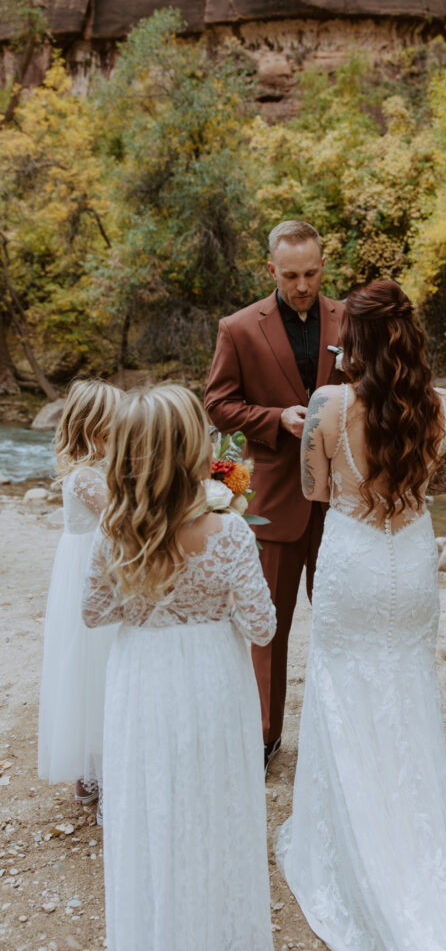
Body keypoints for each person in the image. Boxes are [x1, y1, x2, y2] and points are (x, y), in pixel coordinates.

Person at [277, 280, 446, 951]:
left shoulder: (328, 403)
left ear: (355, 340)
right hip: (410, 564)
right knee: (407, 693)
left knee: (343, 691)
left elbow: (314, 488)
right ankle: (413, 829)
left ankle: (345, 841)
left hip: (353, 562)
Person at [81, 386, 276, 951]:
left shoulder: (114, 529)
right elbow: (262, 628)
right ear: (196, 449)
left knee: (150, 807)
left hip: (143, 675)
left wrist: (145, 600)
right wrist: (215, 609)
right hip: (213, 678)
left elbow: (93, 615)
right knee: (215, 807)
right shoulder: (232, 532)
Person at [204, 219, 344, 772]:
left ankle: (337, 739)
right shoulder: (238, 328)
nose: (303, 284)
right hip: (275, 497)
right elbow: (217, 403)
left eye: (311, 273)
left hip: (343, 499)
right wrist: (273, 418)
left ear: (322, 266)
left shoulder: (349, 318)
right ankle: (263, 735)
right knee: (269, 624)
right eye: (291, 275)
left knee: (341, 621)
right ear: (271, 270)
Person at [38, 377, 122, 822]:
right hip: (93, 577)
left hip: (97, 569)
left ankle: (91, 775)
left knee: (95, 671)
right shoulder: (86, 477)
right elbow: (121, 519)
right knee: (96, 670)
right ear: (95, 428)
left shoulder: (101, 468)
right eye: (117, 423)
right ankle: (104, 778)